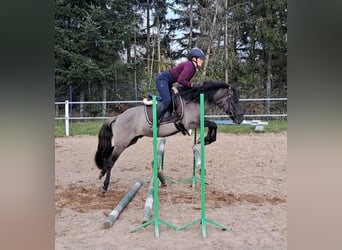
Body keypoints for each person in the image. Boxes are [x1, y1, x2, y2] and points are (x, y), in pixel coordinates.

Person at [153, 47, 206, 128]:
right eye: (201, 59)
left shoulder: (193, 69)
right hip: (162, 80)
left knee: (174, 100)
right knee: (167, 100)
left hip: (169, 82)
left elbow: (184, 82)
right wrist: (192, 85)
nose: (202, 61)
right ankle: (154, 122)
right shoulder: (189, 66)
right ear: (194, 58)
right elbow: (181, 80)